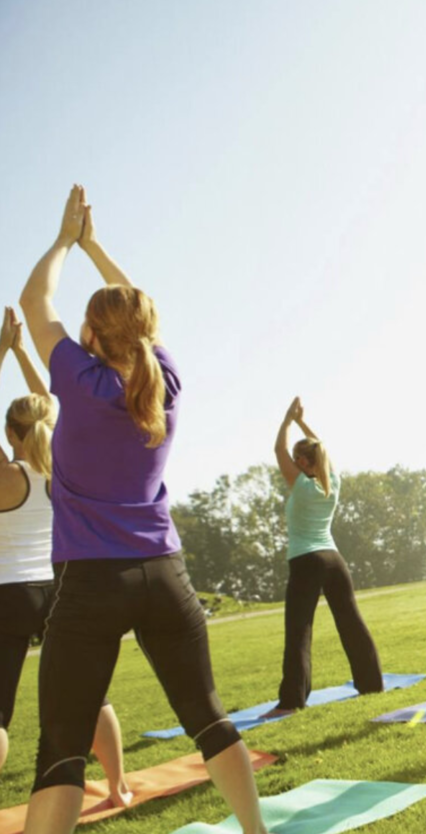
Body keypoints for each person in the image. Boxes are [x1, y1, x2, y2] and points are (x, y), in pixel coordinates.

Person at [18, 185, 269, 834]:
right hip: (164, 573)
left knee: (62, 751)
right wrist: (96, 245)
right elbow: (142, 317)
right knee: (209, 719)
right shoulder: (166, 378)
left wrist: (63, 241)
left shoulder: (81, 377)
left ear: (92, 334)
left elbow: (32, 303)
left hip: (92, 581)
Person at [0, 308, 129, 804]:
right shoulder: (65, 470)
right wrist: (18, 351)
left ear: (11, 434)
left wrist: (2, 348)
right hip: (59, 589)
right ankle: (118, 788)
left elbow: (42, 412)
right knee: (90, 694)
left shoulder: (6, 476)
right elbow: (53, 404)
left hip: (8, 597)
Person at [264, 397, 383, 718]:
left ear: (303, 462)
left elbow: (278, 451)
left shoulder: (302, 485)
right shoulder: (334, 483)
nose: (290, 460)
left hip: (307, 561)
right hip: (334, 560)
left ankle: (291, 701)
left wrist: (288, 420)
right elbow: (321, 452)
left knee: (299, 630)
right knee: (352, 623)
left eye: (295, 458)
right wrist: (303, 424)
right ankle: (372, 684)